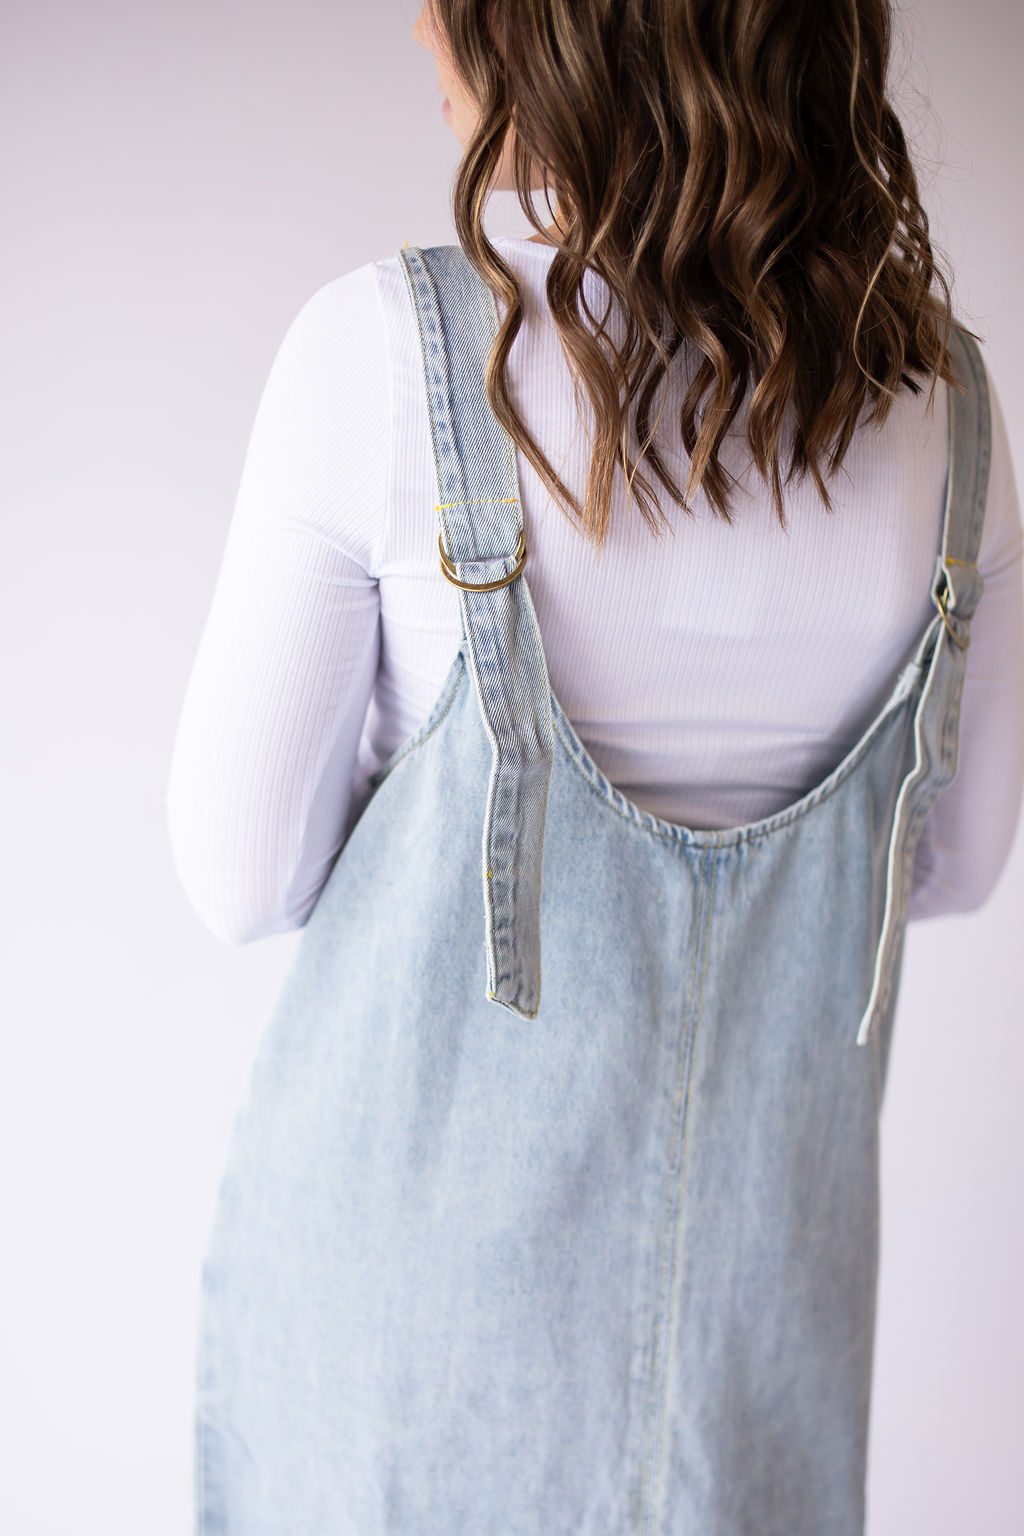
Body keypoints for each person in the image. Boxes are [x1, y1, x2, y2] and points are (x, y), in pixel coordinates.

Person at [167, 3, 1024, 1532]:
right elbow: (949, 870)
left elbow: (240, 878)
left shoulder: (389, 359)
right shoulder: (945, 407)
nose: (418, 26)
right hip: (748, 1363)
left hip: (400, 1374)